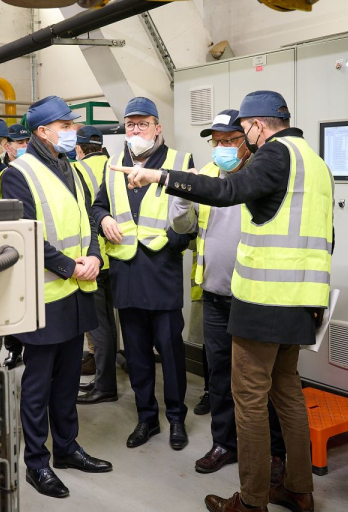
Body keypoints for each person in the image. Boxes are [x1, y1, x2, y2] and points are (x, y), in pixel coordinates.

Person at [112, 90, 332, 512]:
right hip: (302, 299)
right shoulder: (314, 162)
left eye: (242, 132)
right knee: (287, 393)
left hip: (265, 299)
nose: (241, 141)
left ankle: (251, 501)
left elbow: (231, 190)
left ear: (256, 125)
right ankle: (298, 489)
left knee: (248, 397)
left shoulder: (276, 154)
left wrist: (161, 177)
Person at [0, 95, 112, 499]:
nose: (72, 132)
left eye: (73, 127)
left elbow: (89, 220)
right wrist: (70, 266)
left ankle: (66, 449)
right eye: (65, 126)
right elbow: (24, 235)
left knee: (66, 381)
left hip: (76, 294)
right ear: (43, 131)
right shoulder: (17, 174)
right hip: (44, 296)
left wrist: (95, 255)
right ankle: (37, 464)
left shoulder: (75, 171)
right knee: (39, 385)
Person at [170, 109, 288, 477]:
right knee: (219, 376)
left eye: (229, 141)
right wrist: (182, 199)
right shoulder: (205, 175)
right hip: (216, 294)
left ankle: (273, 452)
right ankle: (225, 443)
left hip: (253, 295)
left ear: (247, 140)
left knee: (259, 381)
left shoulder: (261, 174)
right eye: (216, 142)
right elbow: (183, 227)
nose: (220, 148)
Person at [91, 96, 195, 451]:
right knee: (136, 354)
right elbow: (99, 205)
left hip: (162, 270)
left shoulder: (180, 161)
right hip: (127, 273)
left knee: (170, 351)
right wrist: (103, 218)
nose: (135, 130)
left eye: (143, 123)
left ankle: (177, 418)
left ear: (157, 128)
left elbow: (191, 214)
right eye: (130, 124)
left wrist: (173, 243)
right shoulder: (113, 164)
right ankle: (146, 418)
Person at [73, 125, 118, 405]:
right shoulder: (115, 165)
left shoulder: (77, 171)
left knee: (98, 327)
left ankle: (105, 385)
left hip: (94, 258)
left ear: (79, 149)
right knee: (110, 325)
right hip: (117, 253)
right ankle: (106, 380)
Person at [2, 122, 31, 370]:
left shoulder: (30, 169)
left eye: (26, 143)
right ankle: (13, 351)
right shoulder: (4, 172)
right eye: (19, 144)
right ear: (7, 146)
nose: (24, 147)